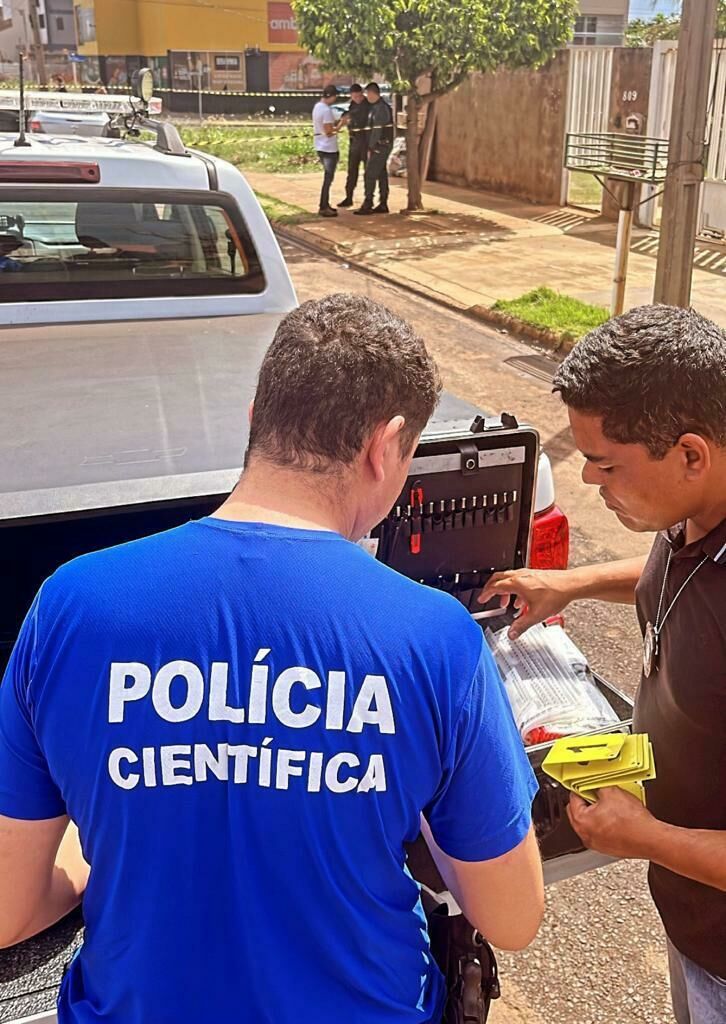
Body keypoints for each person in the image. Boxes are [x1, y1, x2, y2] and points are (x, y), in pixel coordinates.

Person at [0, 293, 543, 1024]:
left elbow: (8, 908)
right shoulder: (435, 638)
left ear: (256, 418)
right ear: (385, 448)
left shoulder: (71, 604)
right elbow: (510, 919)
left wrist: (97, 855)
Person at [480, 304, 726, 1024]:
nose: (587, 478)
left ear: (689, 453)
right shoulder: (695, 510)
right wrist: (573, 583)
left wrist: (645, 838)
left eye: (607, 463)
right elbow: (678, 578)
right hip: (694, 921)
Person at [354, 82, 394, 216]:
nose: (366, 96)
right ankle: (383, 203)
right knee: (381, 174)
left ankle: (368, 203)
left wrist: (371, 146)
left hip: (380, 146)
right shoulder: (375, 107)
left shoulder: (381, 108)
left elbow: (377, 130)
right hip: (378, 145)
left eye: (367, 94)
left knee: (370, 174)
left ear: (372, 93)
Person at [312, 84, 343, 218]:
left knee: (327, 178)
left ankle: (325, 204)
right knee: (328, 178)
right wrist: (341, 124)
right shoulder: (326, 111)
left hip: (320, 146)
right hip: (329, 148)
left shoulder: (317, 107)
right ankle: (323, 206)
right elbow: (329, 131)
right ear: (332, 96)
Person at [337, 84, 369, 208]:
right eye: (355, 96)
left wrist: (351, 118)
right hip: (354, 141)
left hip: (365, 142)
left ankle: (368, 199)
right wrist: (345, 118)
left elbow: (362, 118)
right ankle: (348, 196)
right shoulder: (352, 104)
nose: (357, 99)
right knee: (351, 171)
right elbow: (348, 114)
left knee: (368, 173)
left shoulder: (367, 105)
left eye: (359, 96)